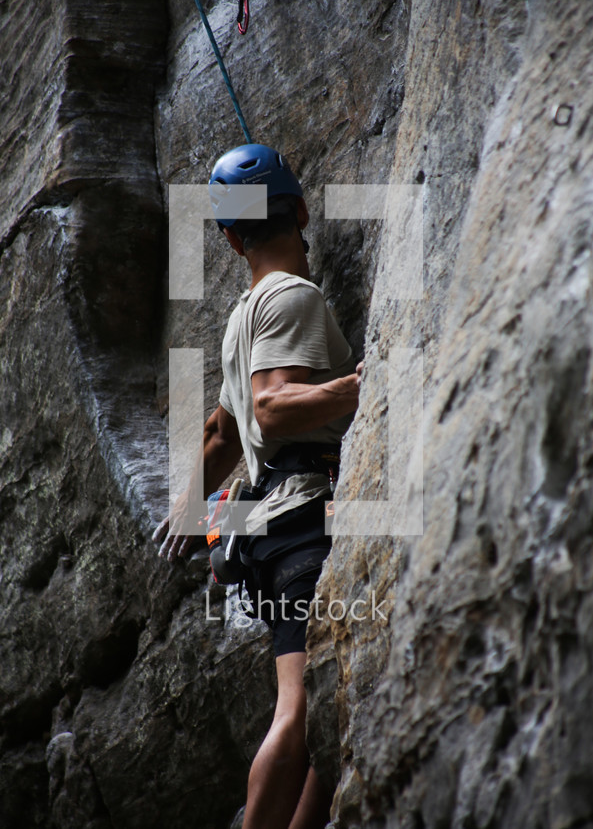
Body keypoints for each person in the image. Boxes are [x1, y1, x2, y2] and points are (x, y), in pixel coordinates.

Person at [153, 144, 362, 829]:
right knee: (299, 710)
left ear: (228, 238)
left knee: (323, 723)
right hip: (298, 521)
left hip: (269, 532)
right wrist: (357, 385)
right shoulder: (292, 295)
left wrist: (188, 511)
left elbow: (222, 432)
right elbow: (270, 408)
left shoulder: (243, 316)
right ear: (300, 211)